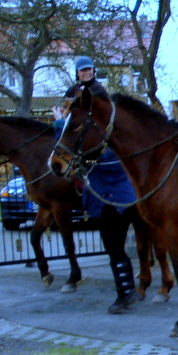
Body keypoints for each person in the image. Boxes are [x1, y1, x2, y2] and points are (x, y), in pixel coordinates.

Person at [52, 56, 139, 314]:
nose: (86, 73)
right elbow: (73, 139)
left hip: (111, 184)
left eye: (89, 69)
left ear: (94, 71)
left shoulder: (98, 97)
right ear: (77, 74)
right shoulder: (76, 95)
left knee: (114, 241)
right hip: (101, 182)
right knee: (112, 243)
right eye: (82, 71)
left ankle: (127, 292)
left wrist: (60, 123)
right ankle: (126, 290)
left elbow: (78, 135)